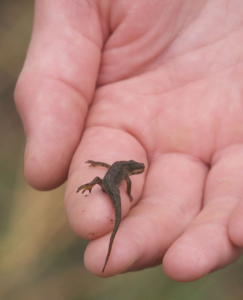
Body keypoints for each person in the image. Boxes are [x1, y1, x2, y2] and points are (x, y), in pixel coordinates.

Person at [14, 0, 243, 281]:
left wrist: (108, 182)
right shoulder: (124, 173)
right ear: (132, 168)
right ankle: (102, 216)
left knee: (105, 198)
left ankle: (100, 211)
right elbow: (118, 176)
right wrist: (127, 192)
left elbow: (105, 168)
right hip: (108, 184)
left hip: (106, 180)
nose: (136, 172)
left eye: (136, 170)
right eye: (136, 170)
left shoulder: (120, 167)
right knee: (107, 208)